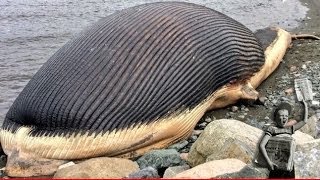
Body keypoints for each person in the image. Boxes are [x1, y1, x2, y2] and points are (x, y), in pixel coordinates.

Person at [259, 101, 308, 178]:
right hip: (275, 165)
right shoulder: (272, 129)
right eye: (281, 115)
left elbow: (304, 121)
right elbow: (262, 145)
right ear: (276, 117)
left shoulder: (289, 129)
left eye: (286, 115)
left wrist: (305, 105)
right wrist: (268, 162)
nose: (284, 117)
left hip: (288, 165)